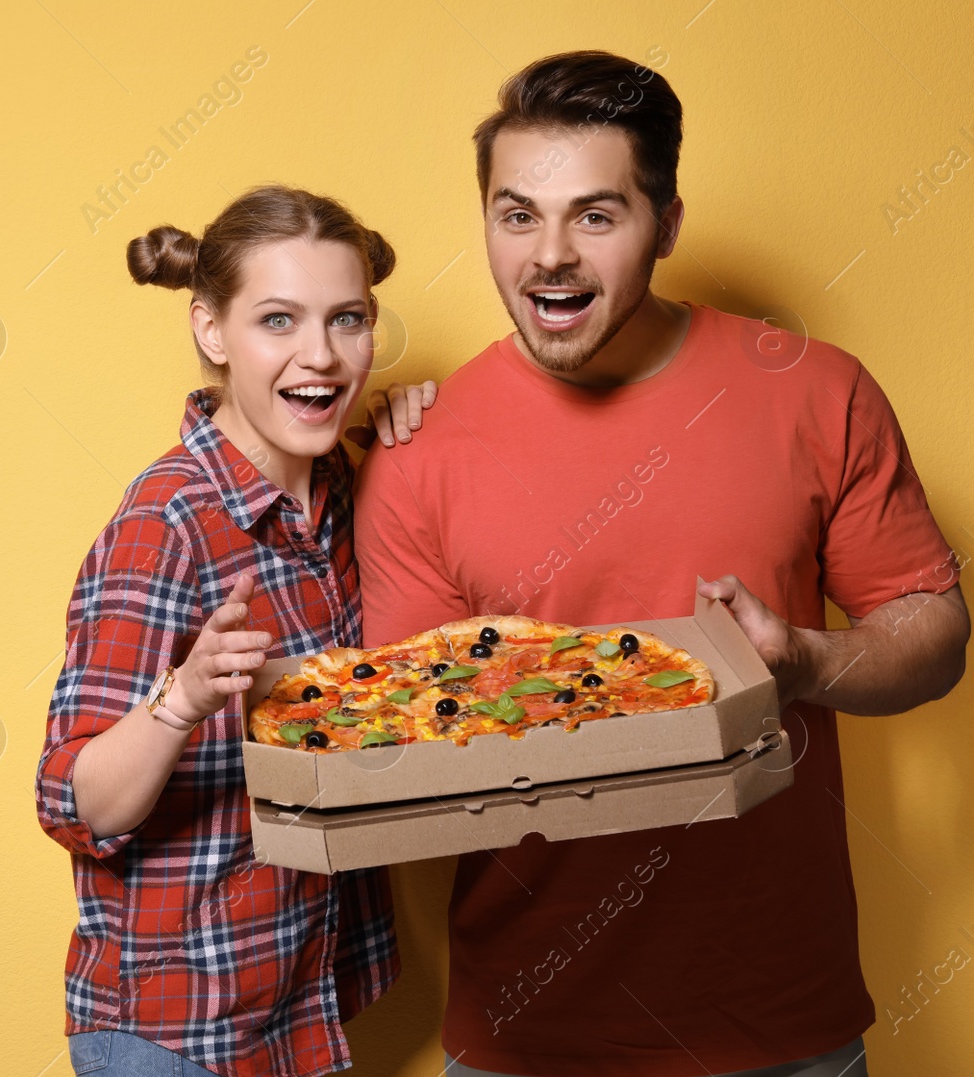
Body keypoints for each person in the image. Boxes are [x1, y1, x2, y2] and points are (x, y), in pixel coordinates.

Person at [356, 51, 969, 1077]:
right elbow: (413, 755)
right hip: (525, 1041)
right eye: (517, 216)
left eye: (596, 216)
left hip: (782, 1030)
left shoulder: (814, 391)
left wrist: (807, 665)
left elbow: (934, 631)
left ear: (667, 223)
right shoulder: (420, 455)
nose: (549, 255)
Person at [34, 185, 435, 1077]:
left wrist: (425, 443)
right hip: (178, 1039)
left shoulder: (348, 493)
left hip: (298, 1016)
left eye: (348, 319)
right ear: (212, 332)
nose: (321, 356)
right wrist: (181, 700)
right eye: (279, 320)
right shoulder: (166, 525)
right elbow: (71, 800)